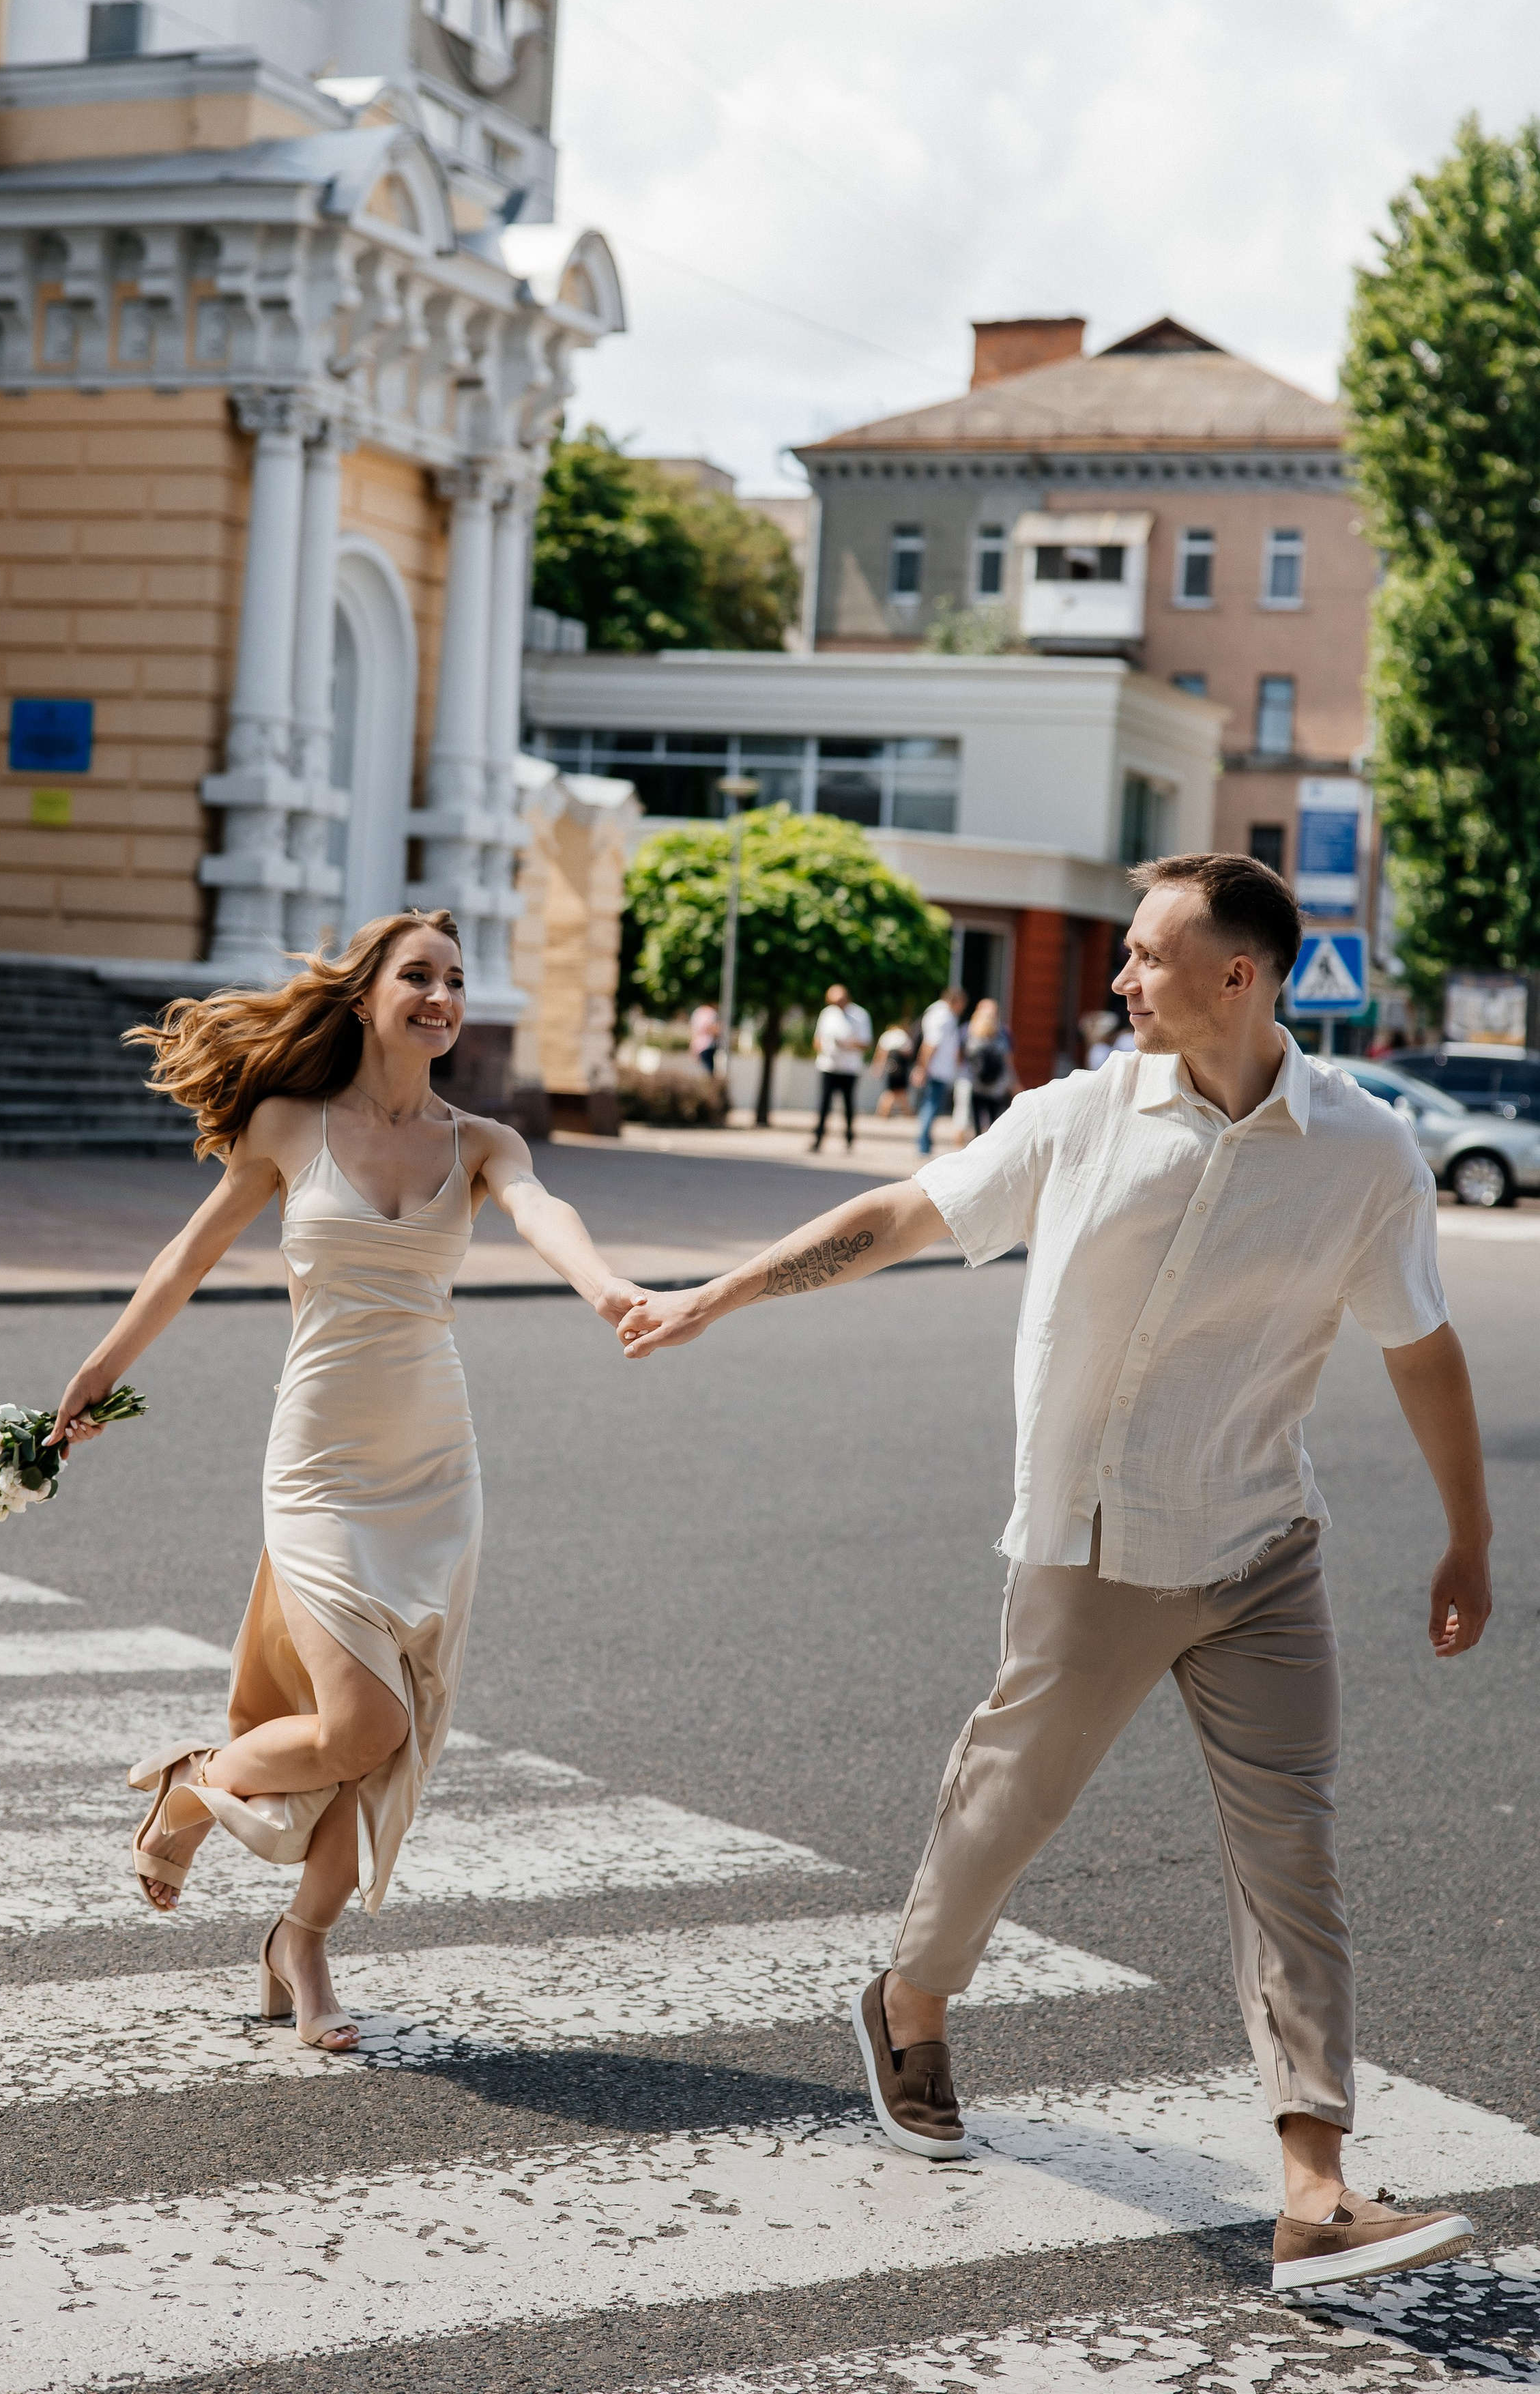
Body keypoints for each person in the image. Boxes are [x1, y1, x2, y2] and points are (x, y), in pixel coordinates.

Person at [617, 851, 1492, 2293]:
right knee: (1007, 1801)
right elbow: (901, 1214)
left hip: (1264, 1543)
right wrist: (720, 1292)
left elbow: (1419, 1348)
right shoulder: (1080, 1116)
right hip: (1094, 1542)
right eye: (1125, 953)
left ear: (1239, 975)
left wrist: (1466, 1533)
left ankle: (1312, 2184)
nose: (1120, 975)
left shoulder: (1363, 1150)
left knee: (1291, 1856)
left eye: (1148, 955)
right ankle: (907, 1999)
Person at [46, 910, 642, 2052]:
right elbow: (189, 1257)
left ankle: (302, 1944)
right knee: (360, 1721)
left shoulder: (479, 1143)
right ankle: (192, 1789)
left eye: (457, 980)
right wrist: (98, 1371)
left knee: (393, 1731)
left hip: (433, 1465)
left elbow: (543, 1212)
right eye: (418, 975)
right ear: (366, 995)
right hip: (318, 1462)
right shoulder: (287, 1124)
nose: (442, 996)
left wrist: (607, 1289)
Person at [809, 983, 872, 1153]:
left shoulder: (860, 1015)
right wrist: (826, 1046)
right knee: (823, 1105)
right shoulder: (827, 1014)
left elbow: (866, 1044)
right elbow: (817, 1040)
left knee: (848, 1106)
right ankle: (818, 1139)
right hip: (828, 1065)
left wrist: (848, 1044)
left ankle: (849, 1139)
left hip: (849, 1068)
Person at [912, 984, 968, 1156]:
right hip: (935, 1070)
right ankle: (923, 1143)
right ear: (955, 1001)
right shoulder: (942, 1016)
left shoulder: (942, 1014)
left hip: (937, 1069)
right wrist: (922, 1068)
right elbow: (930, 1044)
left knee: (931, 1105)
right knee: (931, 1106)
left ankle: (925, 1142)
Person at [962, 998, 1015, 1132]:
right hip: (996, 1085)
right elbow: (1008, 1060)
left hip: (976, 1083)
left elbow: (962, 1055)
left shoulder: (970, 1032)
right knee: (993, 1121)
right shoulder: (1003, 1034)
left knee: (976, 1122)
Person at [873, 1017, 915, 1120]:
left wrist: (877, 1067)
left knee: (896, 1090)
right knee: (896, 1090)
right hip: (900, 1065)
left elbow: (881, 1052)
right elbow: (909, 1051)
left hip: (890, 1065)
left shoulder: (886, 1036)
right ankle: (886, 1111)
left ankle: (898, 1111)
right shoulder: (902, 1035)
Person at [688, 1003, 721, 1074]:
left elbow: (694, 1031)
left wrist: (693, 1048)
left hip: (700, 1046)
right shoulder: (712, 1013)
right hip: (708, 1045)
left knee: (706, 1070)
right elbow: (715, 1029)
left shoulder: (698, 1012)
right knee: (709, 1070)